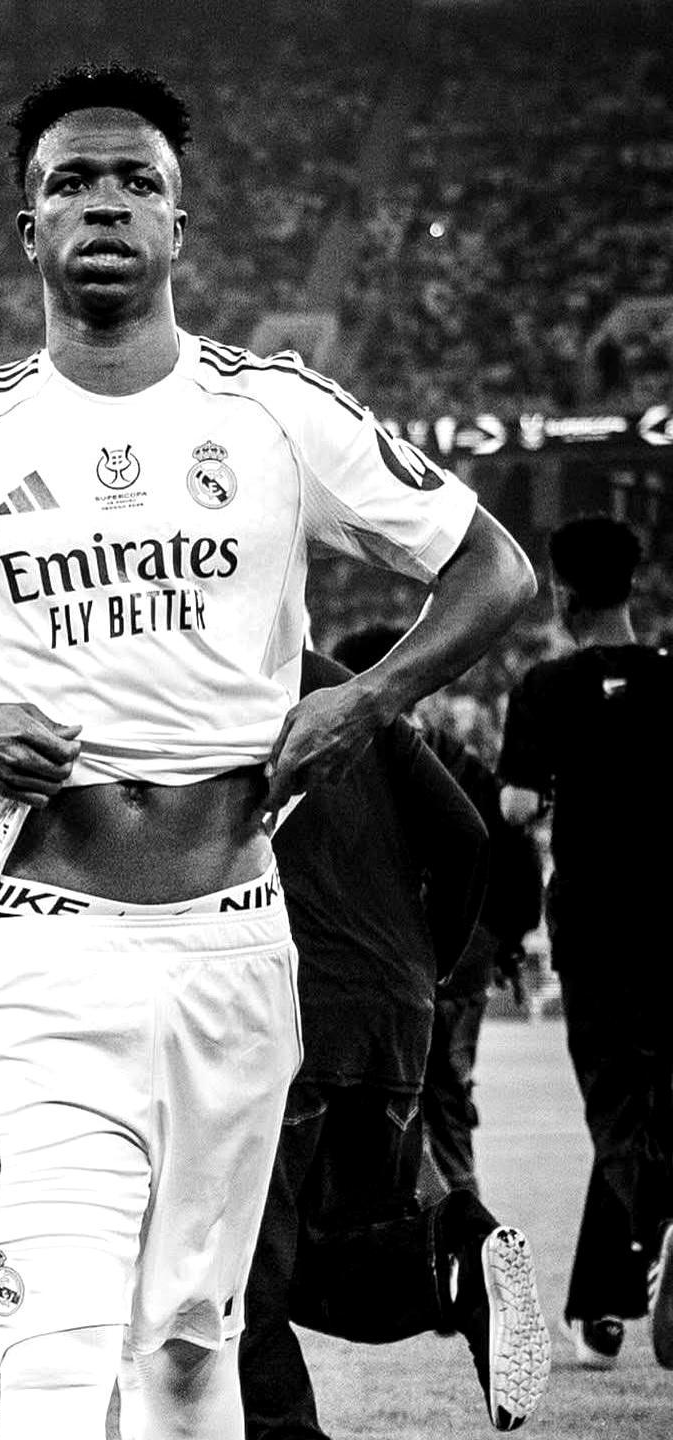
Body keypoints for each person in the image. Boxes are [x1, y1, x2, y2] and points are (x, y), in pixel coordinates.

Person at [0, 63, 537, 1440]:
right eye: (70, 182)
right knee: (54, 1363)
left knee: (193, 1360)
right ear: (28, 228)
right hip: (46, 957)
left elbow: (494, 571)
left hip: (236, 952)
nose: (104, 202)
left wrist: (363, 702)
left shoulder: (276, 412)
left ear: (178, 225)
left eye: (135, 181)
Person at [237, 646, 550, 1440]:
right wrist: (423, 969)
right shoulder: (352, 694)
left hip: (278, 1004)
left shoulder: (211, 669)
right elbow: (467, 835)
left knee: (238, 1277)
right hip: (393, 1018)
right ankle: (455, 1257)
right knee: (331, 1258)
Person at [499, 512, 673, 1372]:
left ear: (563, 594)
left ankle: (642, 1248)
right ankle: (602, 1303)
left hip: (597, 931)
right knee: (658, 1108)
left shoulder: (546, 687)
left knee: (616, 1111)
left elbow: (517, 806)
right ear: (632, 585)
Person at [333, 624, 544, 1201]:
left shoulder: (377, 760)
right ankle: (456, 1231)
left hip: (409, 966)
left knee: (403, 1113)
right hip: (455, 965)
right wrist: (500, 940)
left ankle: (460, 1236)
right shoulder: (458, 760)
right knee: (443, 1109)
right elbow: (514, 851)